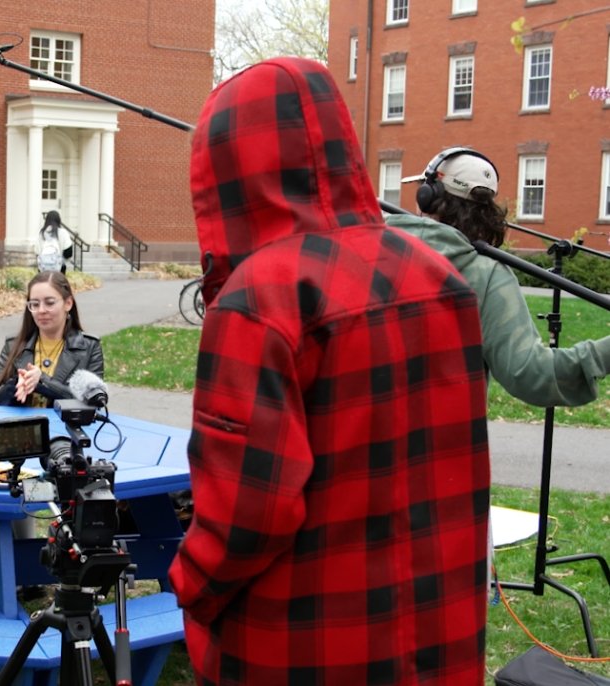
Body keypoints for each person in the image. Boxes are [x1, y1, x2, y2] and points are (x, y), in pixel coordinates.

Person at [168, 57, 490, 685]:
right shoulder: (439, 276)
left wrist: (188, 585)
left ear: (227, 166)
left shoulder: (259, 298)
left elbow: (248, 513)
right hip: (435, 641)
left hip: (301, 650)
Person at [388, 147, 610, 406]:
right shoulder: (487, 275)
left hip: (354, 436)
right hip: (443, 440)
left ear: (427, 197)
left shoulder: (364, 252)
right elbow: (530, 375)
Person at [0, 270, 103, 407]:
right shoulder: (13, 345)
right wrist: (14, 385)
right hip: (21, 428)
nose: (41, 310)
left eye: (49, 303)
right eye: (35, 304)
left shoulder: (89, 347)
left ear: (68, 304)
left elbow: (93, 404)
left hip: (64, 428)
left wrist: (42, 381)